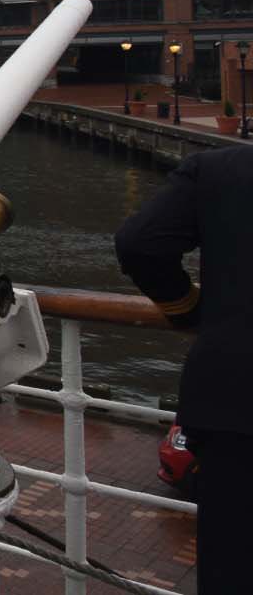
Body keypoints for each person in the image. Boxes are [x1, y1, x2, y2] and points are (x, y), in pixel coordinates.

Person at [115, 144, 253, 593]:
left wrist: (188, 309)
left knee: (232, 567)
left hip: (233, 401)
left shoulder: (220, 169)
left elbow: (139, 244)